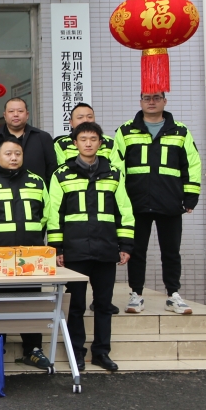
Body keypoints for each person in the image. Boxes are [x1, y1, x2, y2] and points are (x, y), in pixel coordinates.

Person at [48, 122, 135, 372]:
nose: (88, 143)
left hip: (105, 248)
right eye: (83, 139)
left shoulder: (114, 173)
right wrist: (57, 248)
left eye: (93, 139)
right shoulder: (61, 174)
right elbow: (54, 213)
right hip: (74, 251)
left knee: (104, 304)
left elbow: (124, 211)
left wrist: (126, 245)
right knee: (75, 305)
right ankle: (76, 351)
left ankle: (101, 352)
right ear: (75, 143)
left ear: (100, 143)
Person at [111, 93, 201, 316]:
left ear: (165, 101)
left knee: (171, 252)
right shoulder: (126, 131)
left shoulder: (180, 131)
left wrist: (191, 195)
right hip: (136, 202)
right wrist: (117, 200)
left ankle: (173, 294)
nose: (151, 102)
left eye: (157, 98)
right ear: (140, 101)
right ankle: (136, 294)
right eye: (147, 98)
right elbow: (115, 166)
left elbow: (192, 163)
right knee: (136, 251)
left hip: (169, 201)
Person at [0, 138, 52, 370]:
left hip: (31, 255)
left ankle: (32, 349)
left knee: (31, 301)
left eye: (17, 153)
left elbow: (45, 216)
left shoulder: (37, 182)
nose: (14, 157)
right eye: (8, 153)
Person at [0, 97, 57, 184]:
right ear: (4, 115)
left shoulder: (42, 137)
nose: (16, 114)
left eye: (20, 111)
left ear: (27, 115)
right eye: (11, 111)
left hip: (35, 189)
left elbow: (52, 168)